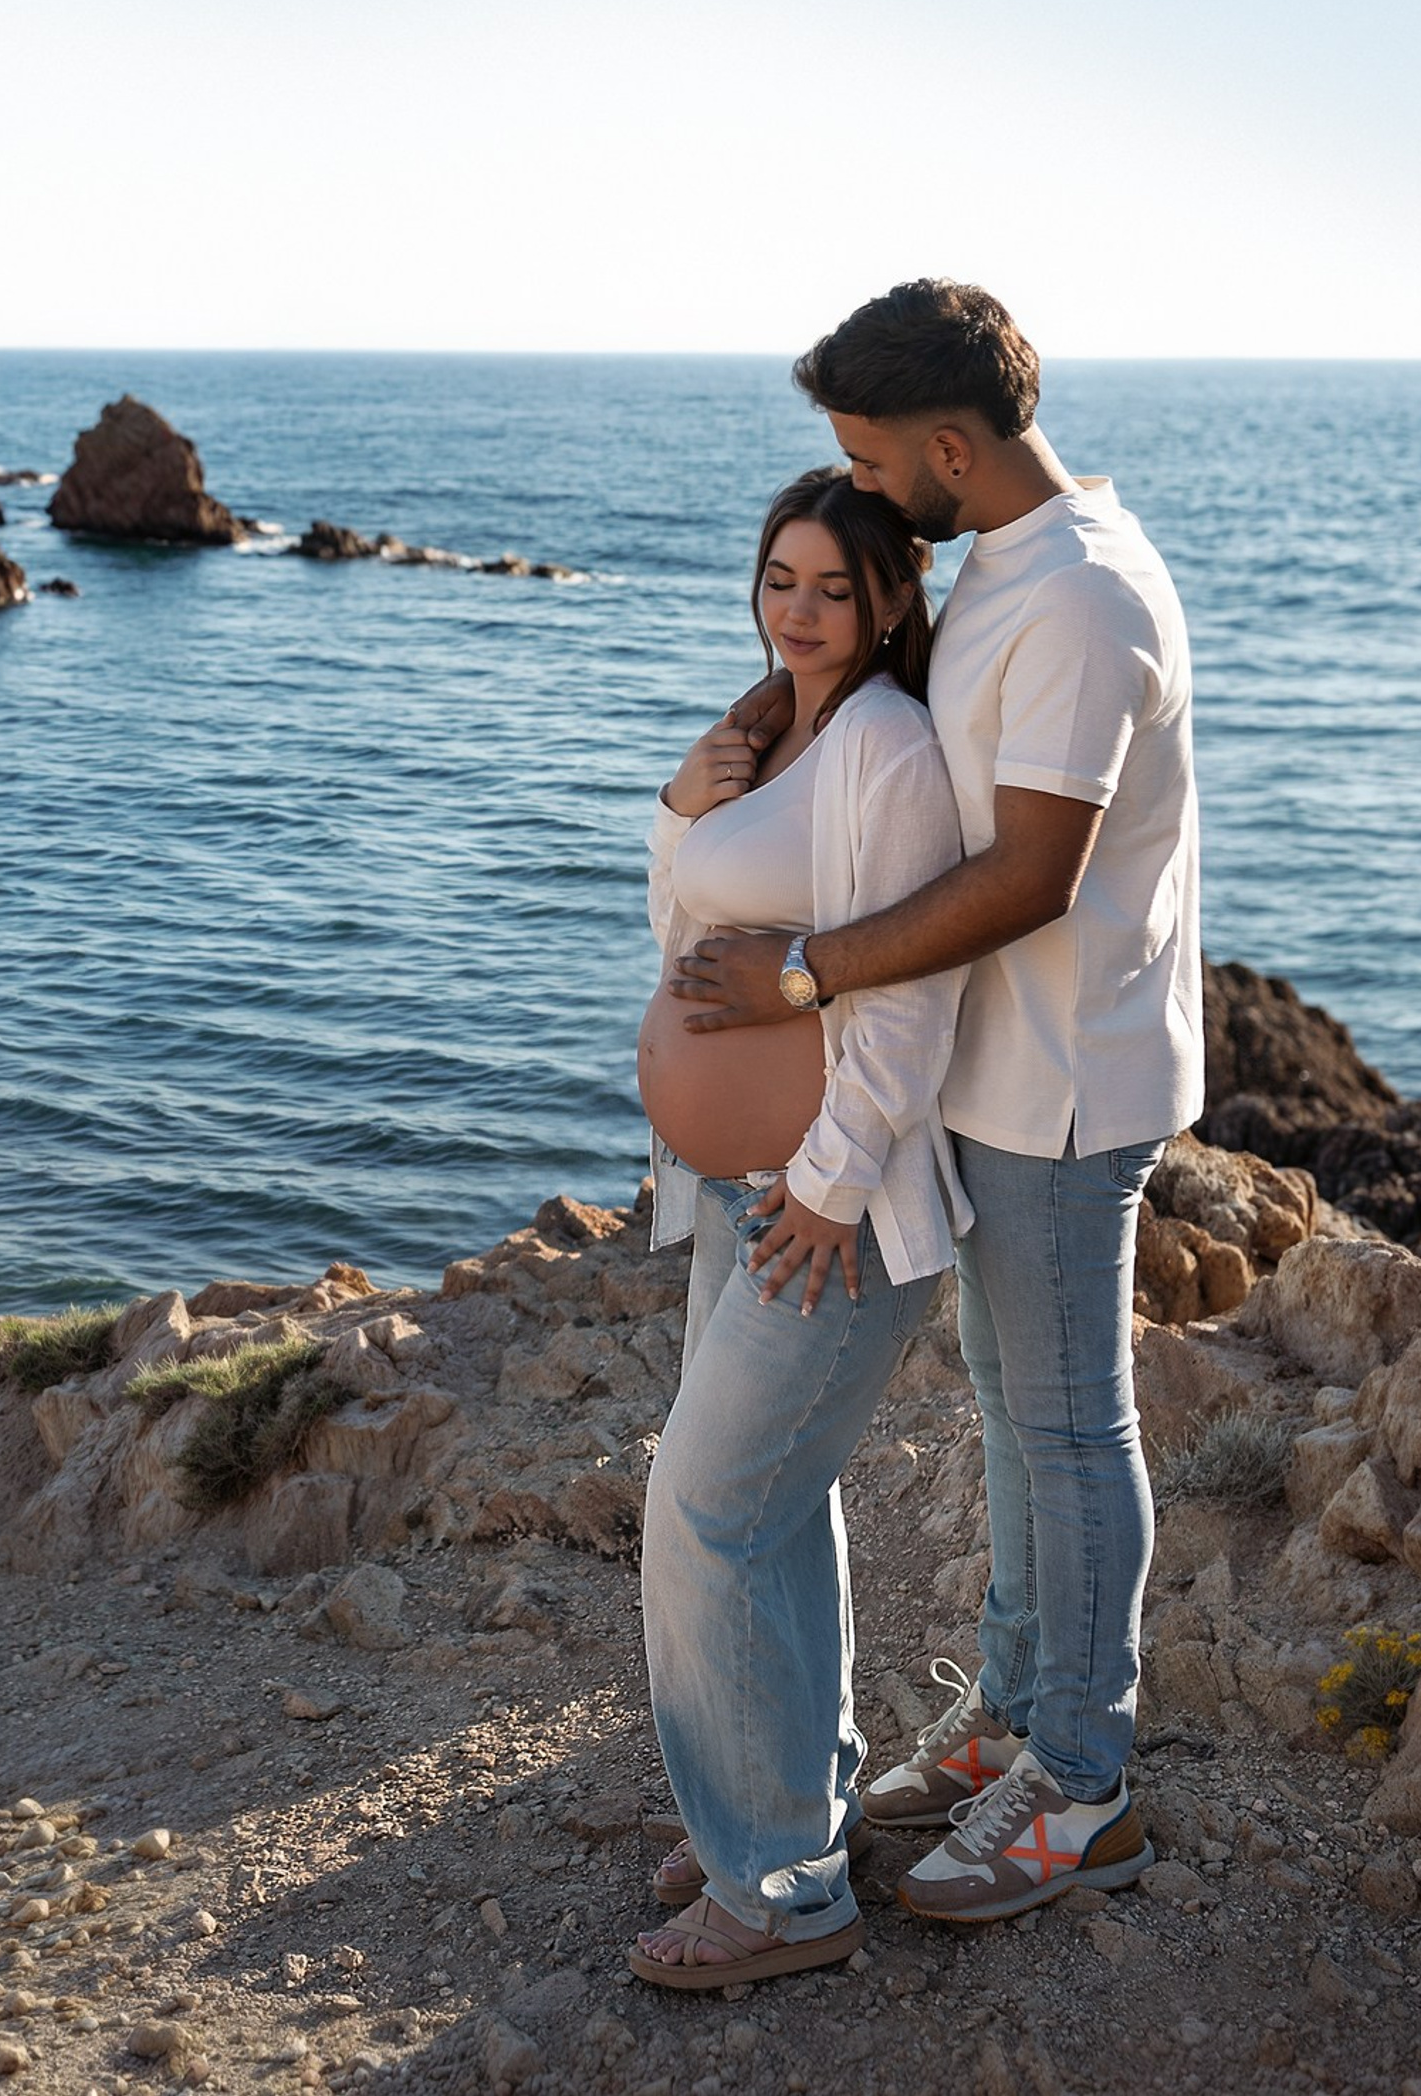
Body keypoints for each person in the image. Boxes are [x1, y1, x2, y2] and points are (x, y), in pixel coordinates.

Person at [674, 278, 1197, 1923]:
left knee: (1065, 1426)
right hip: (988, 1074)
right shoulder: (1003, 570)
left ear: (950, 447)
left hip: (1062, 1086)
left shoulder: (1083, 601)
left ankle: (1084, 1782)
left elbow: (1034, 873)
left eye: (871, 458)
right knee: (1010, 1410)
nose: (862, 482)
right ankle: (1013, 1719)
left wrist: (807, 974)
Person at [627, 465, 971, 1986]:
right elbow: (683, 934)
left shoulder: (887, 748)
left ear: (890, 597)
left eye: (835, 587)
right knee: (772, 1513)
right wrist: (679, 805)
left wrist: (827, 1187)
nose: (803, 611)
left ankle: (778, 1894)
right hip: (735, 1193)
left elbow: (910, 999)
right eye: (781, 579)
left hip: (821, 1205)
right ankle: (785, 1812)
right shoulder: (771, 733)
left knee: (708, 1514)